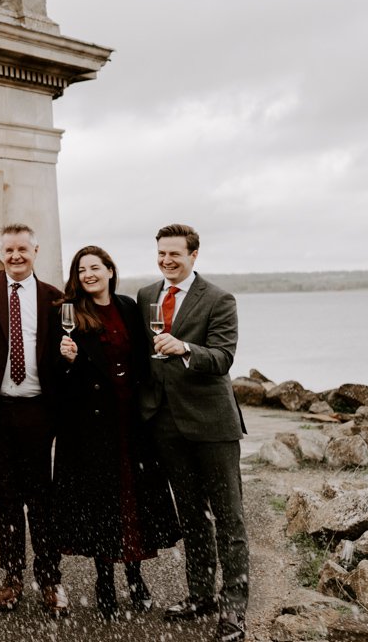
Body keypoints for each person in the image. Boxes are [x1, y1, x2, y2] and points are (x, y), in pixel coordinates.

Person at [52, 246, 180, 620]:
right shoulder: (69, 313)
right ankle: (104, 581)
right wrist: (69, 361)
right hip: (90, 426)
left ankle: (136, 577)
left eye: (95, 267)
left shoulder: (128, 306)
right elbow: (56, 375)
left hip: (131, 421)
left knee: (132, 503)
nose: (89, 274)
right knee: (100, 506)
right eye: (82, 269)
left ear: (110, 270)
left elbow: (143, 359)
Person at [138, 225, 248, 642]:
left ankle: (234, 610)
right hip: (166, 425)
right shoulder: (148, 296)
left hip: (213, 425)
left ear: (194, 255)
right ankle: (200, 596)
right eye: (161, 254)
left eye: (175, 255)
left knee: (229, 520)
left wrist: (185, 349)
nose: (167, 261)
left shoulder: (219, 299)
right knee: (191, 518)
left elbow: (223, 357)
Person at [0, 222, 68, 618]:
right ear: (1, 252)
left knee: (41, 498)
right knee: (4, 495)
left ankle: (51, 578)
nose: (16, 256)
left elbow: (61, 354)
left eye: (23, 249)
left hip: (39, 409)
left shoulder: (54, 298)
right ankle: (12, 576)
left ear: (35, 251)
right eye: (9, 250)